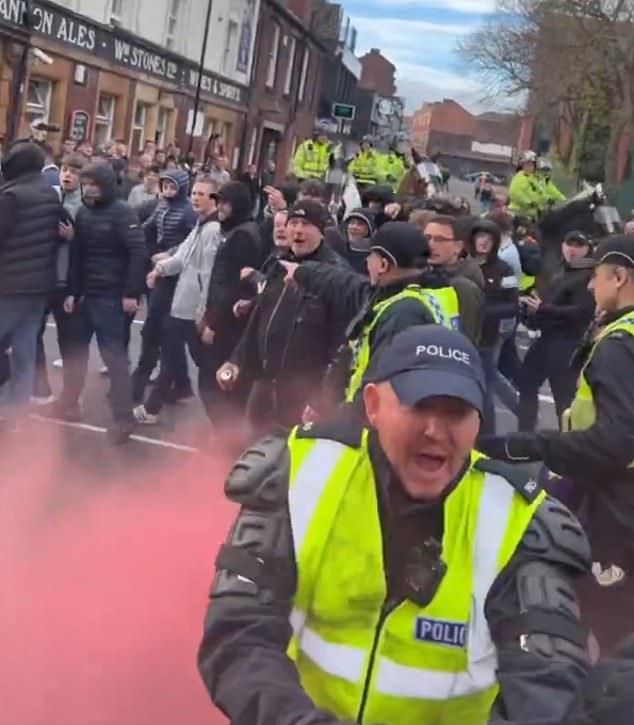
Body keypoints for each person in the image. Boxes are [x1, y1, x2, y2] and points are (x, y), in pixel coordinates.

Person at [198, 324, 591, 725]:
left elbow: (550, 690)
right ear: (373, 405)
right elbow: (238, 632)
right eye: (420, 405)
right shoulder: (299, 474)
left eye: (456, 412)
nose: (435, 431)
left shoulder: (520, 522)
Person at [479, 234, 634, 651]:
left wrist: (533, 445)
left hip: (612, 509)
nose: (589, 287)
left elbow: (617, 441)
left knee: (601, 623)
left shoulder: (620, 344)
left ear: (619, 277)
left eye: (597, 276)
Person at [280, 221, 460, 404]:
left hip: (377, 420)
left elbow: (379, 389)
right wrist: (302, 272)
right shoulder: (421, 291)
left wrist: (340, 423)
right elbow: (346, 285)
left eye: (371, 256)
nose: (367, 262)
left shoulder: (403, 314)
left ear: (383, 265)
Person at [217, 200, 348, 434]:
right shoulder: (277, 263)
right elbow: (259, 317)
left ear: (321, 231)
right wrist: (236, 360)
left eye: (306, 224)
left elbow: (343, 346)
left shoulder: (336, 276)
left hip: (302, 392)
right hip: (265, 382)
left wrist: (322, 399)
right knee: (255, 452)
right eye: (293, 223)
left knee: (289, 460)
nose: (297, 230)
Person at [47, 163, 147, 444]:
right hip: (87, 296)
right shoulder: (84, 212)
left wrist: (131, 293)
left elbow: (138, 253)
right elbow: (78, 256)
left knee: (114, 358)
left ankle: (124, 419)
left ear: (105, 185)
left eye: (94, 184)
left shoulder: (123, 213)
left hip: (112, 298)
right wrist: (72, 292)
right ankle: (68, 403)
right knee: (75, 353)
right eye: (86, 183)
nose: (89, 188)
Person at [134, 175, 223, 424]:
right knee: (172, 358)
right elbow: (182, 257)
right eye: (194, 193)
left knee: (205, 367)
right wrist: (158, 270)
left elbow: (207, 274)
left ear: (215, 199)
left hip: (193, 310)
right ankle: (152, 409)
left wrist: (204, 314)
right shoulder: (201, 225)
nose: (195, 197)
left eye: (202, 194)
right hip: (181, 306)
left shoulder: (213, 231)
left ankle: (223, 421)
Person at [0, 142, 65, 427]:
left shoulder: (12, 196)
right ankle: (17, 414)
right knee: (25, 351)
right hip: (38, 286)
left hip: (8, 285)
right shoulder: (49, 194)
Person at [517, 231, 595, 431]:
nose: (573, 250)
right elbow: (546, 299)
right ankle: (525, 435)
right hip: (547, 338)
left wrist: (543, 309)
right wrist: (531, 313)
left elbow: (582, 312)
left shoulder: (589, 276)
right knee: (526, 382)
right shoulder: (558, 269)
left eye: (579, 245)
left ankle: (566, 446)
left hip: (568, 343)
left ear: (588, 249)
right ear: (562, 245)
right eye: (570, 244)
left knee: (563, 399)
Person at [131, 168, 197, 404]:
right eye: (165, 186)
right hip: (159, 269)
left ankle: (145, 384)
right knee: (164, 331)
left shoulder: (188, 212)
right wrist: (129, 234)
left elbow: (191, 244)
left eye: (172, 187)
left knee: (162, 330)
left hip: (175, 273)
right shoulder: (161, 206)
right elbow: (147, 226)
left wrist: (169, 255)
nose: (168, 191)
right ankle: (180, 384)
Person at [33, 152, 87, 403]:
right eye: (65, 169)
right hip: (42, 277)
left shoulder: (86, 206)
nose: (67, 175)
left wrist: (73, 237)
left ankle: (70, 398)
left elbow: (94, 245)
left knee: (69, 341)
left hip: (67, 282)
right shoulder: (48, 197)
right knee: (32, 333)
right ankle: (40, 387)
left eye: (74, 172)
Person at [468, 219, 519, 435]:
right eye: (480, 237)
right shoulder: (465, 266)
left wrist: (487, 311)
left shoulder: (504, 270)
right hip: (464, 333)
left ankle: (488, 435)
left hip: (488, 337)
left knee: (487, 386)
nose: (483, 242)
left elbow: (512, 304)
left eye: (488, 239)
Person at [425, 214, 485, 344]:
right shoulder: (427, 273)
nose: (431, 245)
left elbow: (466, 336)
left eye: (439, 240)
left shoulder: (464, 286)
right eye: (427, 238)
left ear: (458, 247)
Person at [508, 151, 545, 219]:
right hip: (518, 213)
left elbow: (540, 194)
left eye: (531, 164)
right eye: (526, 164)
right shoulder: (520, 176)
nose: (528, 167)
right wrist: (529, 202)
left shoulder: (536, 178)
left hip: (531, 214)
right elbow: (515, 192)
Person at [340, 208, 376, 274]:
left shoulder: (375, 257)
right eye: (352, 223)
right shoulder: (339, 251)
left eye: (360, 224)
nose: (354, 227)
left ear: (369, 229)